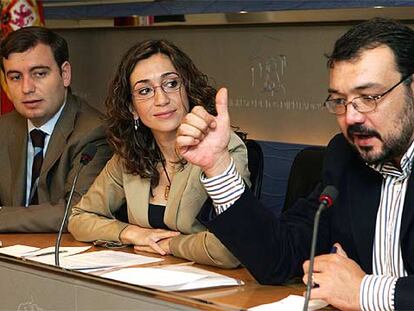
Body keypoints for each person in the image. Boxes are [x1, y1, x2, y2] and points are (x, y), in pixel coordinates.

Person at [176, 18, 414, 310]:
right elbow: (279, 258)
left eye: (368, 97)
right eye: (339, 101)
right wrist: (217, 166)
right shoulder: (345, 156)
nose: (351, 117)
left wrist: (366, 291)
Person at [68, 39, 250, 268]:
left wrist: (171, 245)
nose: (162, 99)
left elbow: (233, 247)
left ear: (188, 89)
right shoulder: (131, 153)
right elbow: (80, 218)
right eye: (144, 91)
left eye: (171, 84)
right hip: (149, 276)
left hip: (215, 285)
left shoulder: (220, 148)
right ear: (132, 107)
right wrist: (132, 233)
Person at [0, 27, 112, 232]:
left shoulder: (95, 132)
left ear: (65, 74)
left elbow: (78, 211)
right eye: (15, 77)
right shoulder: (3, 128)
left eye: (40, 73)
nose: (27, 88)